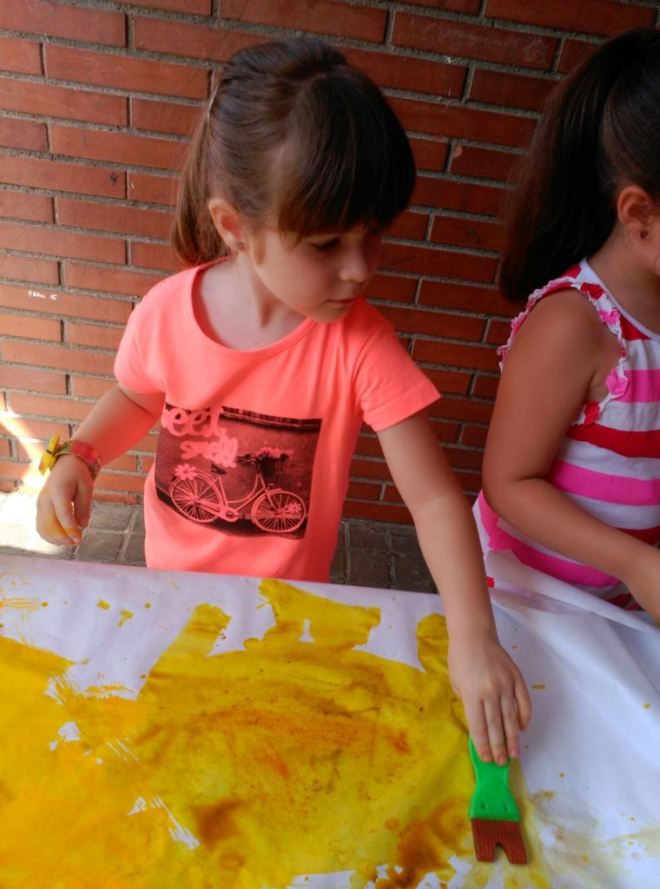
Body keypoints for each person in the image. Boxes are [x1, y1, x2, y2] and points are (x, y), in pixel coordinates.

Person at [36, 37, 530, 762]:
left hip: (285, 612)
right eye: (327, 244)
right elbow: (136, 397)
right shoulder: (166, 312)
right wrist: (80, 455)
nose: (360, 269)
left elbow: (433, 500)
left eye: (374, 236)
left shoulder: (360, 344)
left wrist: (475, 635)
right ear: (235, 226)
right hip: (168, 593)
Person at [475, 27, 660, 619]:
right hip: (530, 602)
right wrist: (635, 562)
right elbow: (510, 484)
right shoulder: (574, 326)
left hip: (622, 607)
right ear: (641, 216)